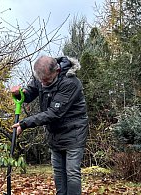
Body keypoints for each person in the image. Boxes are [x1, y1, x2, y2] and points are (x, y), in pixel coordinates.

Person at [11, 56, 88, 195]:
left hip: (74, 132)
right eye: (41, 80)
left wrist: (25, 123)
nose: (43, 83)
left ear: (57, 71)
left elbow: (54, 113)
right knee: (58, 171)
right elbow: (28, 95)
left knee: (72, 173)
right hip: (55, 133)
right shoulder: (41, 77)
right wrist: (19, 94)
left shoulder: (70, 83)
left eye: (46, 80)